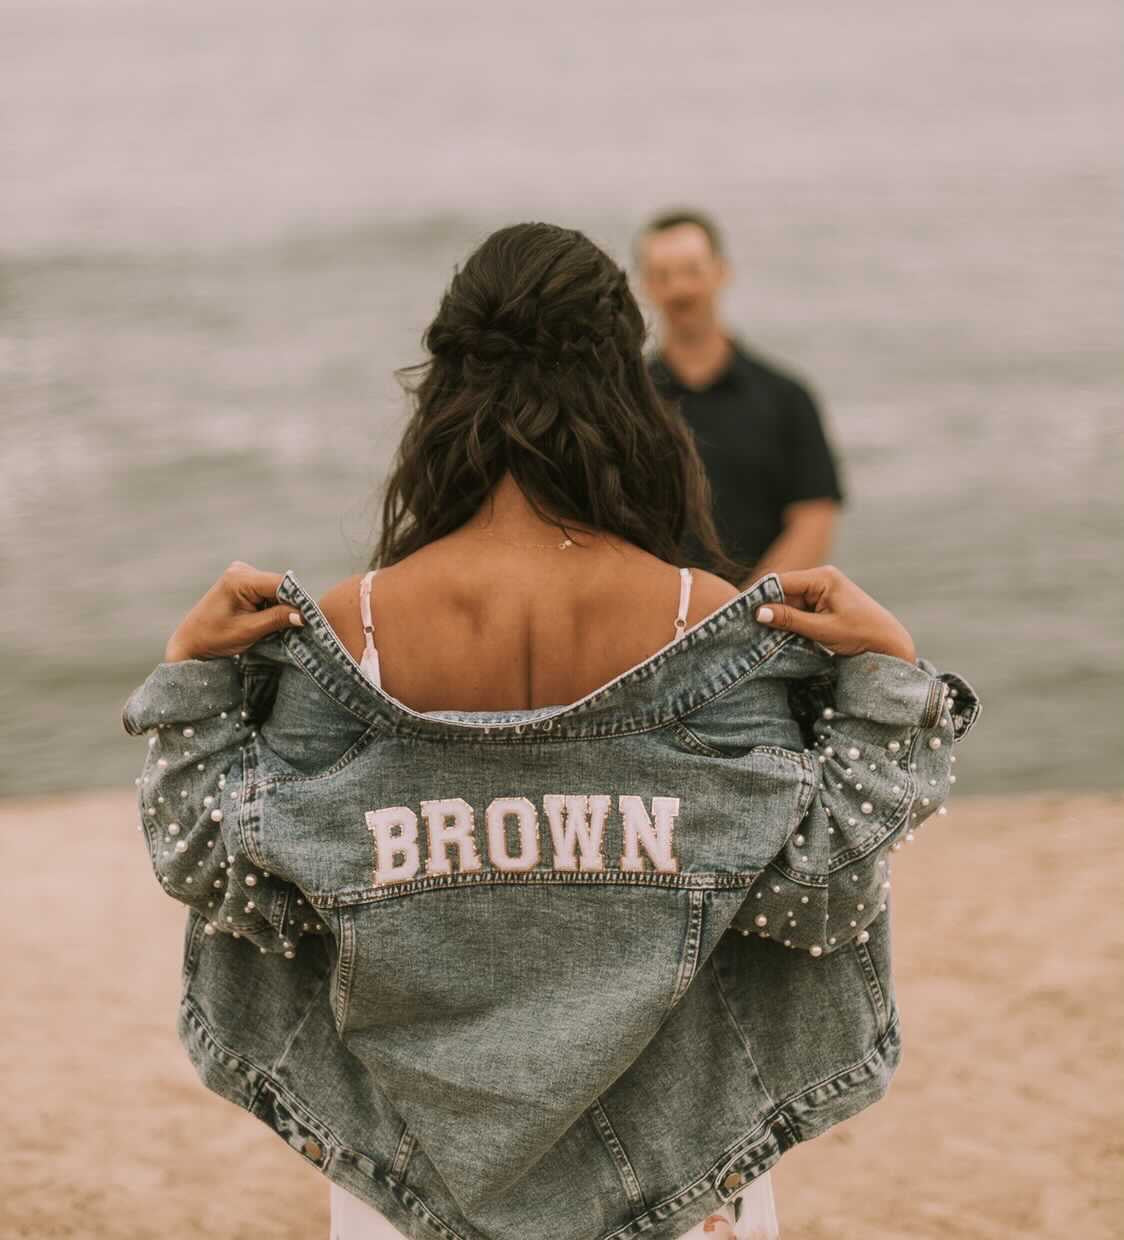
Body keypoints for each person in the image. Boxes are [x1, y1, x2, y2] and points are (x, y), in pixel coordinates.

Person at [124, 221, 978, 1240]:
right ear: (626, 385)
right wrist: (885, 673)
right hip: (679, 1178)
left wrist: (192, 673)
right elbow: (820, 885)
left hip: (406, 1178)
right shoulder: (705, 618)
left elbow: (214, 861)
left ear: (443, 389)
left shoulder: (348, 632)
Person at [638, 210, 844, 583]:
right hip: (656, 626)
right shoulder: (625, 401)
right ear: (646, 286)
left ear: (721, 272)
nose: (679, 289)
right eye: (663, 275)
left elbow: (814, 519)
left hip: (766, 624)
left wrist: (741, 614)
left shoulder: (788, 398)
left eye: (691, 271)